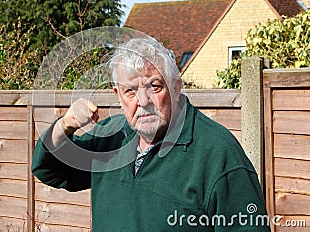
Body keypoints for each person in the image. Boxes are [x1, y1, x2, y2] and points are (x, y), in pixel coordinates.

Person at [32, 37, 271, 231]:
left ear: (176, 87)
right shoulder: (109, 139)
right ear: (118, 95)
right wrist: (66, 125)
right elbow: (49, 170)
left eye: (154, 86)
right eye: (130, 91)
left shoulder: (218, 153)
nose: (143, 101)